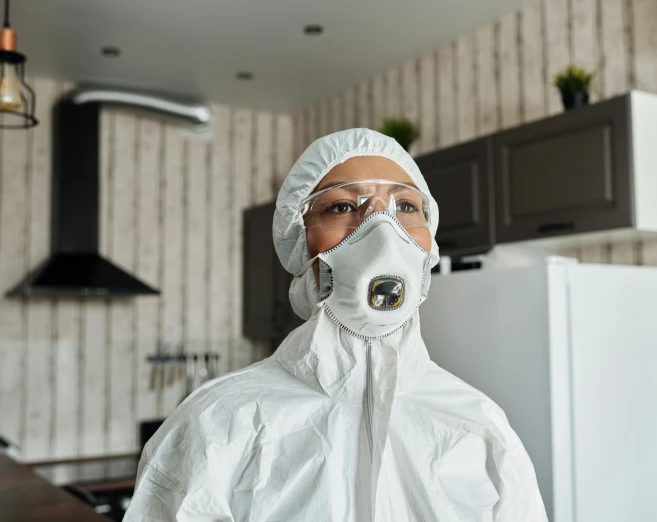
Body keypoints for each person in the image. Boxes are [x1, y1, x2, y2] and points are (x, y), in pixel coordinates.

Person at [123, 129, 547, 522]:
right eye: (343, 206)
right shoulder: (217, 425)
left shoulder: (481, 428)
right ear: (300, 242)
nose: (383, 231)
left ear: (428, 244)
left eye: (405, 206)